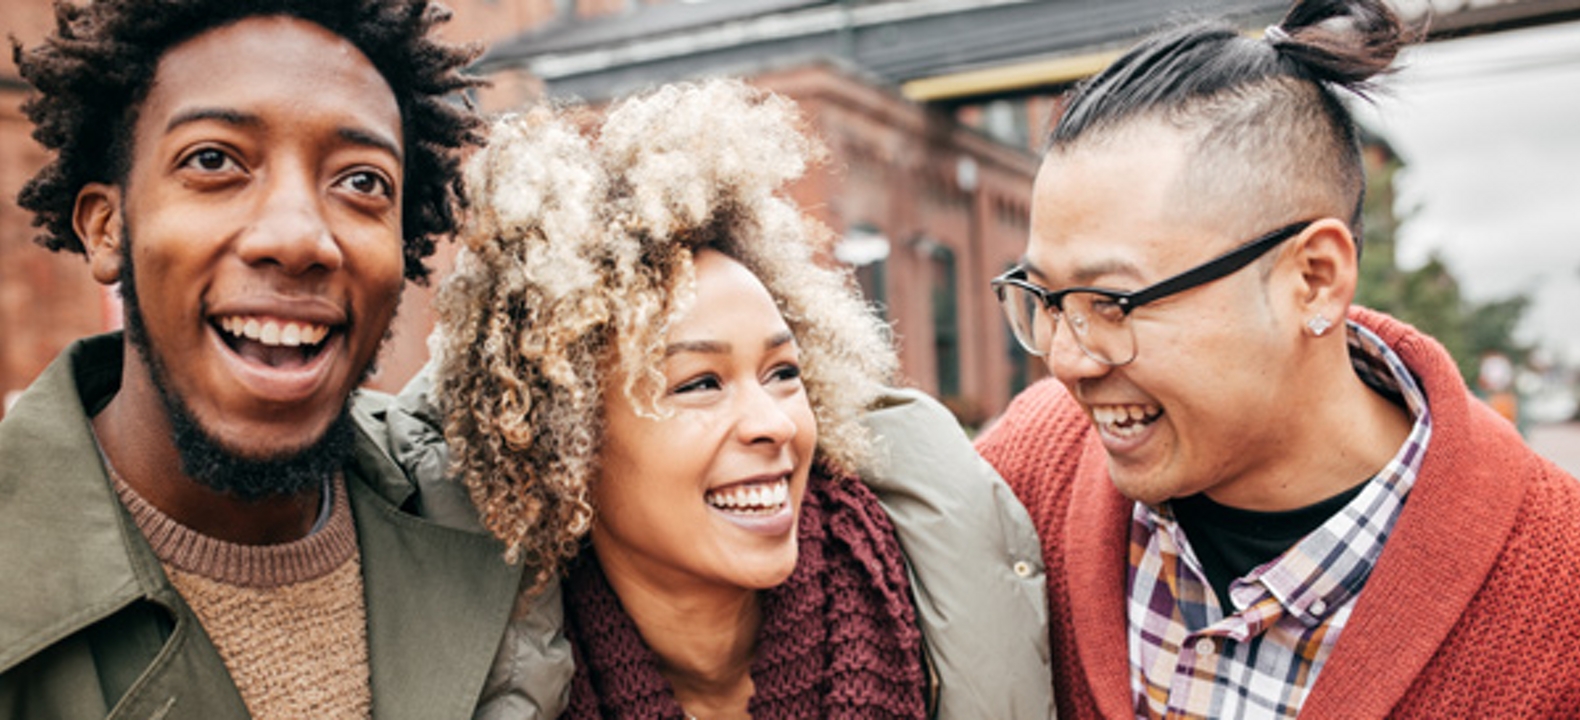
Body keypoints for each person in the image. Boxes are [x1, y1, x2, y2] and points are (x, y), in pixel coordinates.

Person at [975, 0, 1580, 717]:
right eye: (1044, 300)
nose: (1068, 362)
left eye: (1113, 303)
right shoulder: (1033, 467)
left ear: (1314, 280)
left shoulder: (1555, 596)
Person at [397, 79, 1054, 719]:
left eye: (782, 372)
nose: (774, 424)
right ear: (566, 442)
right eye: (700, 383)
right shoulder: (493, 673)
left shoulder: (938, 600)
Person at [0, 2, 548, 717]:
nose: (297, 238)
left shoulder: (499, 510)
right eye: (213, 160)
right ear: (108, 228)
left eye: (361, 181)